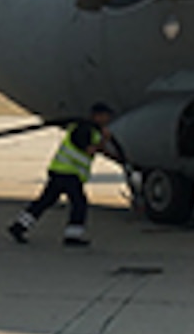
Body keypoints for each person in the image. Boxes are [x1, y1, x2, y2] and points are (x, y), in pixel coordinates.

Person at [8, 103, 117, 247]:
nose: (108, 120)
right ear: (97, 116)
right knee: (79, 203)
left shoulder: (92, 130)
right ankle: (72, 236)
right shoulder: (83, 129)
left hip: (60, 171)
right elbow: (89, 150)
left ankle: (19, 226)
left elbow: (98, 149)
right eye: (106, 116)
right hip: (68, 173)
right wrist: (105, 139)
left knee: (45, 201)